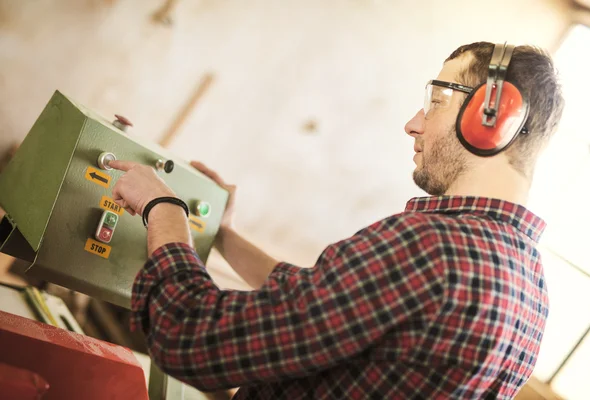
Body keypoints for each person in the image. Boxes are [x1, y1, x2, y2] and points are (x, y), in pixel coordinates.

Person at [109, 41, 564, 399]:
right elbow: (321, 305)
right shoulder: (531, 287)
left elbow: (193, 337)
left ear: (493, 115)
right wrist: (222, 234)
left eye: (439, 100)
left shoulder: (428, 246)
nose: (414, 123)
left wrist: (162, 211)